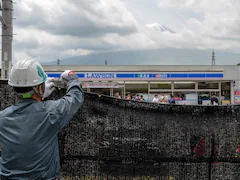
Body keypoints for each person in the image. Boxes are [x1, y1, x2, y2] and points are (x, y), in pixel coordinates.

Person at [0, 59, 84, 179]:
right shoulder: (51, 113)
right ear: (39, 88)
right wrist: (72, 77)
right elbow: (75, 97)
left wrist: (39, 97)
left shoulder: (2, 118)